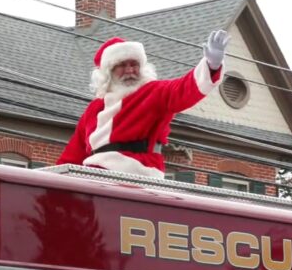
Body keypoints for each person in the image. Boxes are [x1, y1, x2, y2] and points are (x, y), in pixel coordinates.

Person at [57, 30, 231, 178]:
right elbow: (73, 154)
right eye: (122, 65)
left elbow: (183, 89)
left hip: (137, 175)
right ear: (108, 72)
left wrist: (211, 65)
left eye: (134, 64)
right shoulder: (94, 109)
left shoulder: (153, 92)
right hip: (93, 175)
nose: (130, 70)